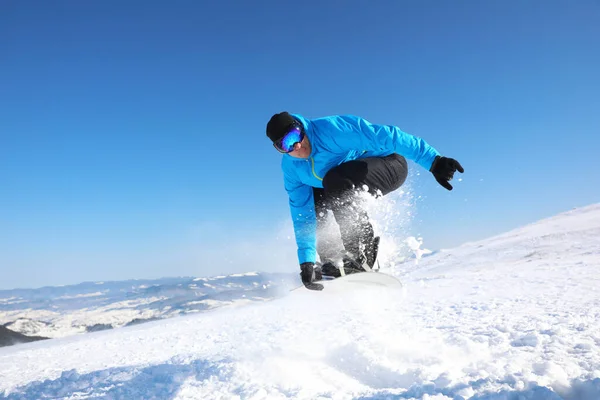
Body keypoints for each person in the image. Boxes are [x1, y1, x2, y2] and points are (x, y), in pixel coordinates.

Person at [266, 112, 464, 290]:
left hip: (389, 164)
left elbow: (387, 136)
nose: (296, 145)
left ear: (301, 128)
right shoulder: (292, 169)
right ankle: (331, 261)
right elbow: (302, 214)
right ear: (279, 150)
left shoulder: (330, 131)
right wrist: (306, 261)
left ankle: (362, 254)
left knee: (334, 180)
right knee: (314, 198)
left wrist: (433, 160)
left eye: (295, 136)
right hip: (343, 181)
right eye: (286, 144)